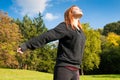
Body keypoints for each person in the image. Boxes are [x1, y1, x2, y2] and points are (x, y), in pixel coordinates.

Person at [17, 5, 86, 80]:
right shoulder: (65, 26)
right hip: (64, 68)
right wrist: (26, 45)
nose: (79, 9)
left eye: (79, 8)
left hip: (76, 69)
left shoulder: (80, 32)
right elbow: (47, 36)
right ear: (70, 13)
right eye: (76, 9)